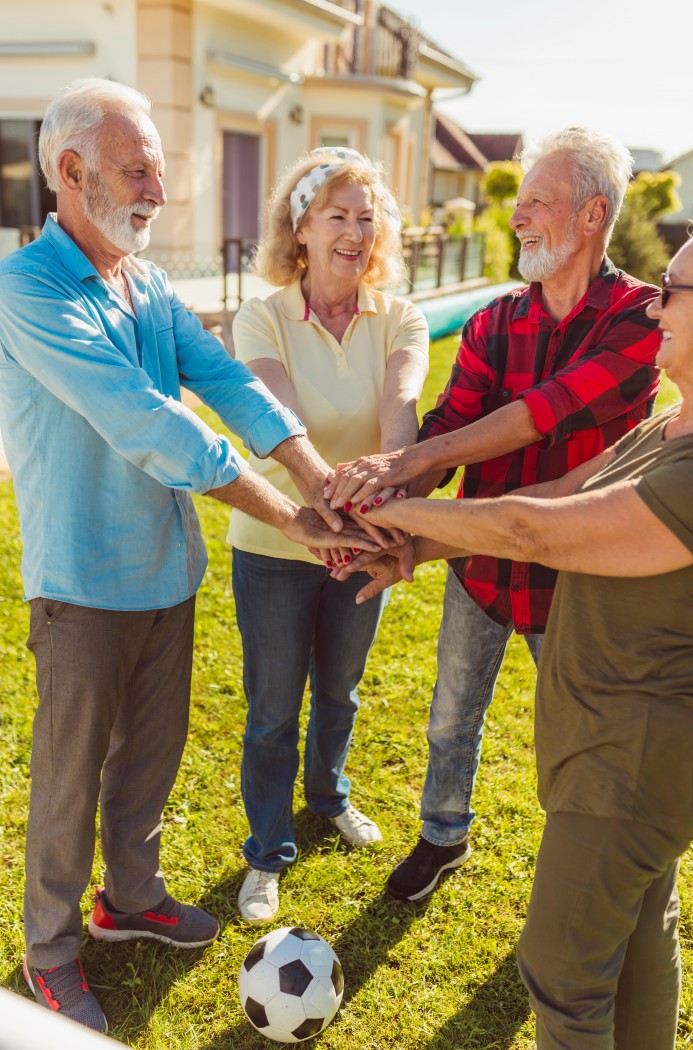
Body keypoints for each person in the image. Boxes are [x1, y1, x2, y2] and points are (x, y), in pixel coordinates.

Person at [0, 80, 377, 1033]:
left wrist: (319, 477)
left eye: (160, 173)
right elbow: (152, 426)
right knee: (69, 776)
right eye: (138, 172)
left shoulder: (147, 284)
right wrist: (294, 521)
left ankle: (128, 902)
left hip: (168, 575)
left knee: (149, 761)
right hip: (81, 585)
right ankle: (49, 950)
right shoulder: (29, 289)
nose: (157, 194)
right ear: (71, 173)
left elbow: (224, 383)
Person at [347, 228, 693, 1050]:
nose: (654, 303)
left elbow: (534, 532)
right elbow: (552, 496)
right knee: (642, 936)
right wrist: (417, 547)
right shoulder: (667, 427)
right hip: (608, 743)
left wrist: (384, 509)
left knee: (562, 969)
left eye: (674, 289)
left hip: (633, 757)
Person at [326, 127, 661, 902]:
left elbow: (544, 413)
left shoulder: (638, 318)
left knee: (581, 740)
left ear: (591, 215)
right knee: (450, 718)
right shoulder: (493, 322)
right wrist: (386, 509)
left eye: (537, 200)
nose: (517, 216)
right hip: (480, 567)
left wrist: (403, 472)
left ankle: (584, 867)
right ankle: (443, 834)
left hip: (579, 579)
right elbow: (449, 427)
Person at [227, 147, 429, 924]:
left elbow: (400, 402)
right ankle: (268, 850)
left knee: (339, 690)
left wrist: (394, 489)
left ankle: (328, 796)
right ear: (301, 228)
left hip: (363, 544)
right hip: (279, 543)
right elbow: (279, 421)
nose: (355, 231)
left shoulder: (398, 315)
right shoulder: (263, 315)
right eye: (337, 215)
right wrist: (333, 506)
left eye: (366, 217)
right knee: (274, 704)